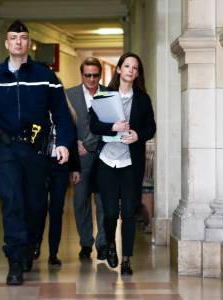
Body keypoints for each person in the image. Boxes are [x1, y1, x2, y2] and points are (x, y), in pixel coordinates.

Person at [0, 20, 74, 285]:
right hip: (6, 149)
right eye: (13, 37)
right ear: (6, 43)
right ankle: (15, 260)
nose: (18, 42)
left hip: (36, 150)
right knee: (12, 201)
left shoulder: (45, 76)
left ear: (29, 43)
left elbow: (61, 113)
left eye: (23, 37)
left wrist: (63, 143)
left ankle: (30, 245)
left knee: (37, 204)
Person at [89, 52, 156, 275]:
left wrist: (138, 135)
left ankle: (127, 260)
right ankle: (109, 245)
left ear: (138, 73)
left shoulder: (143, 99)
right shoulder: (104, 96)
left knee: (128, 213)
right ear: (119, 70)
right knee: (109, 213)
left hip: (130, 163)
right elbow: (94, 125)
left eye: (135, 68)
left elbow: (151, 128)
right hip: (107, 161)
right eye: (127, 66)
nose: (131, 70)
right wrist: (112, 128)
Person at [66, 57, 107, 260]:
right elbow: (63, 123)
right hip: (79, 158)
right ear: (81, 74)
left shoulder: (109, 94)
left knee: (102, 201)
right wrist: (74, 144)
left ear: (100, 75)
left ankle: (102, 244)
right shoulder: (69, 95)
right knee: (81, 201)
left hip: (103, 156)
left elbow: (111, 124)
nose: (91, 79)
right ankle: (85, 243)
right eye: (87, 75)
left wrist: (87, 144)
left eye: (95, 75)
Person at [33, 101, 81, 267]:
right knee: (39, 208)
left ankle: (53, 254)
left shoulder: (66, 115)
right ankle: (35, 244)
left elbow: (72, 144)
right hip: (40, 165)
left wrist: (75, 168)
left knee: (56, 210)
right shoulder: (38, 111)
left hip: (60, 166)